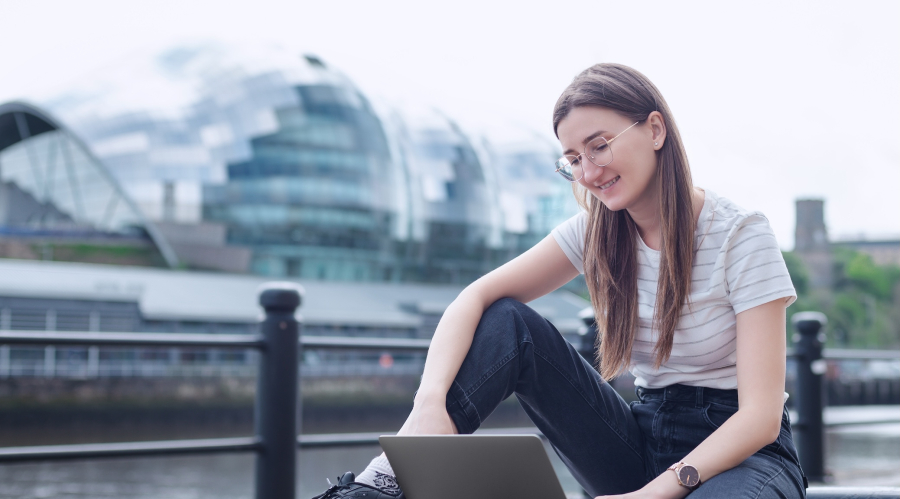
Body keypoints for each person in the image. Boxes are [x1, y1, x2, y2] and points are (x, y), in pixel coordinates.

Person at [312, 63, 806, 499]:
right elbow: (476, 297)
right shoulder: (597, 231)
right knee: (508, 320)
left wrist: (655, 493)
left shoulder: (741, 234)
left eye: (599, 147)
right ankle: (380, 486)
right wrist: (429, 409)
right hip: (645, 436)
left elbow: (760, 417)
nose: (588, 172)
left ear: (655, 129)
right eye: (572, 160)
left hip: (744, 454)